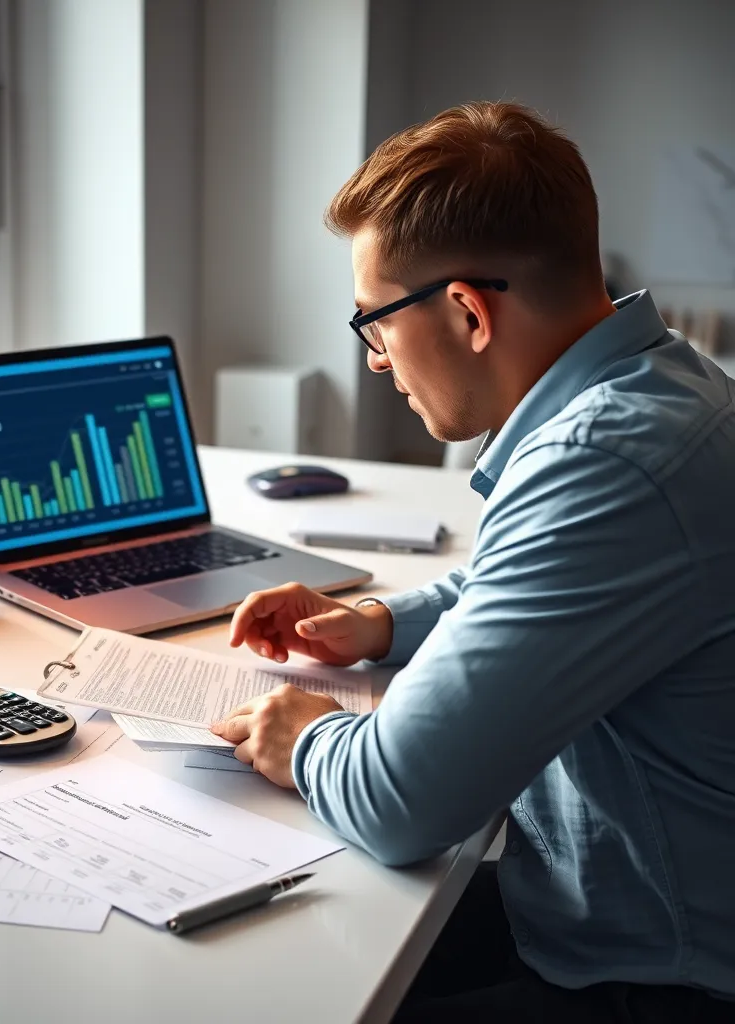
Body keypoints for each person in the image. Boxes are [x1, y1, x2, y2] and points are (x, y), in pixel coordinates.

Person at [210, 102, 735, 1021]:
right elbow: (530, 575)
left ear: (465, 311)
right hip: (612, 905)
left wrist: (300, 736)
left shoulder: (602, 462)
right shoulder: (661, 381)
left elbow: (397, 800)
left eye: (373, 321)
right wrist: (383, 623)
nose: (375, 359)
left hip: (661, 973)